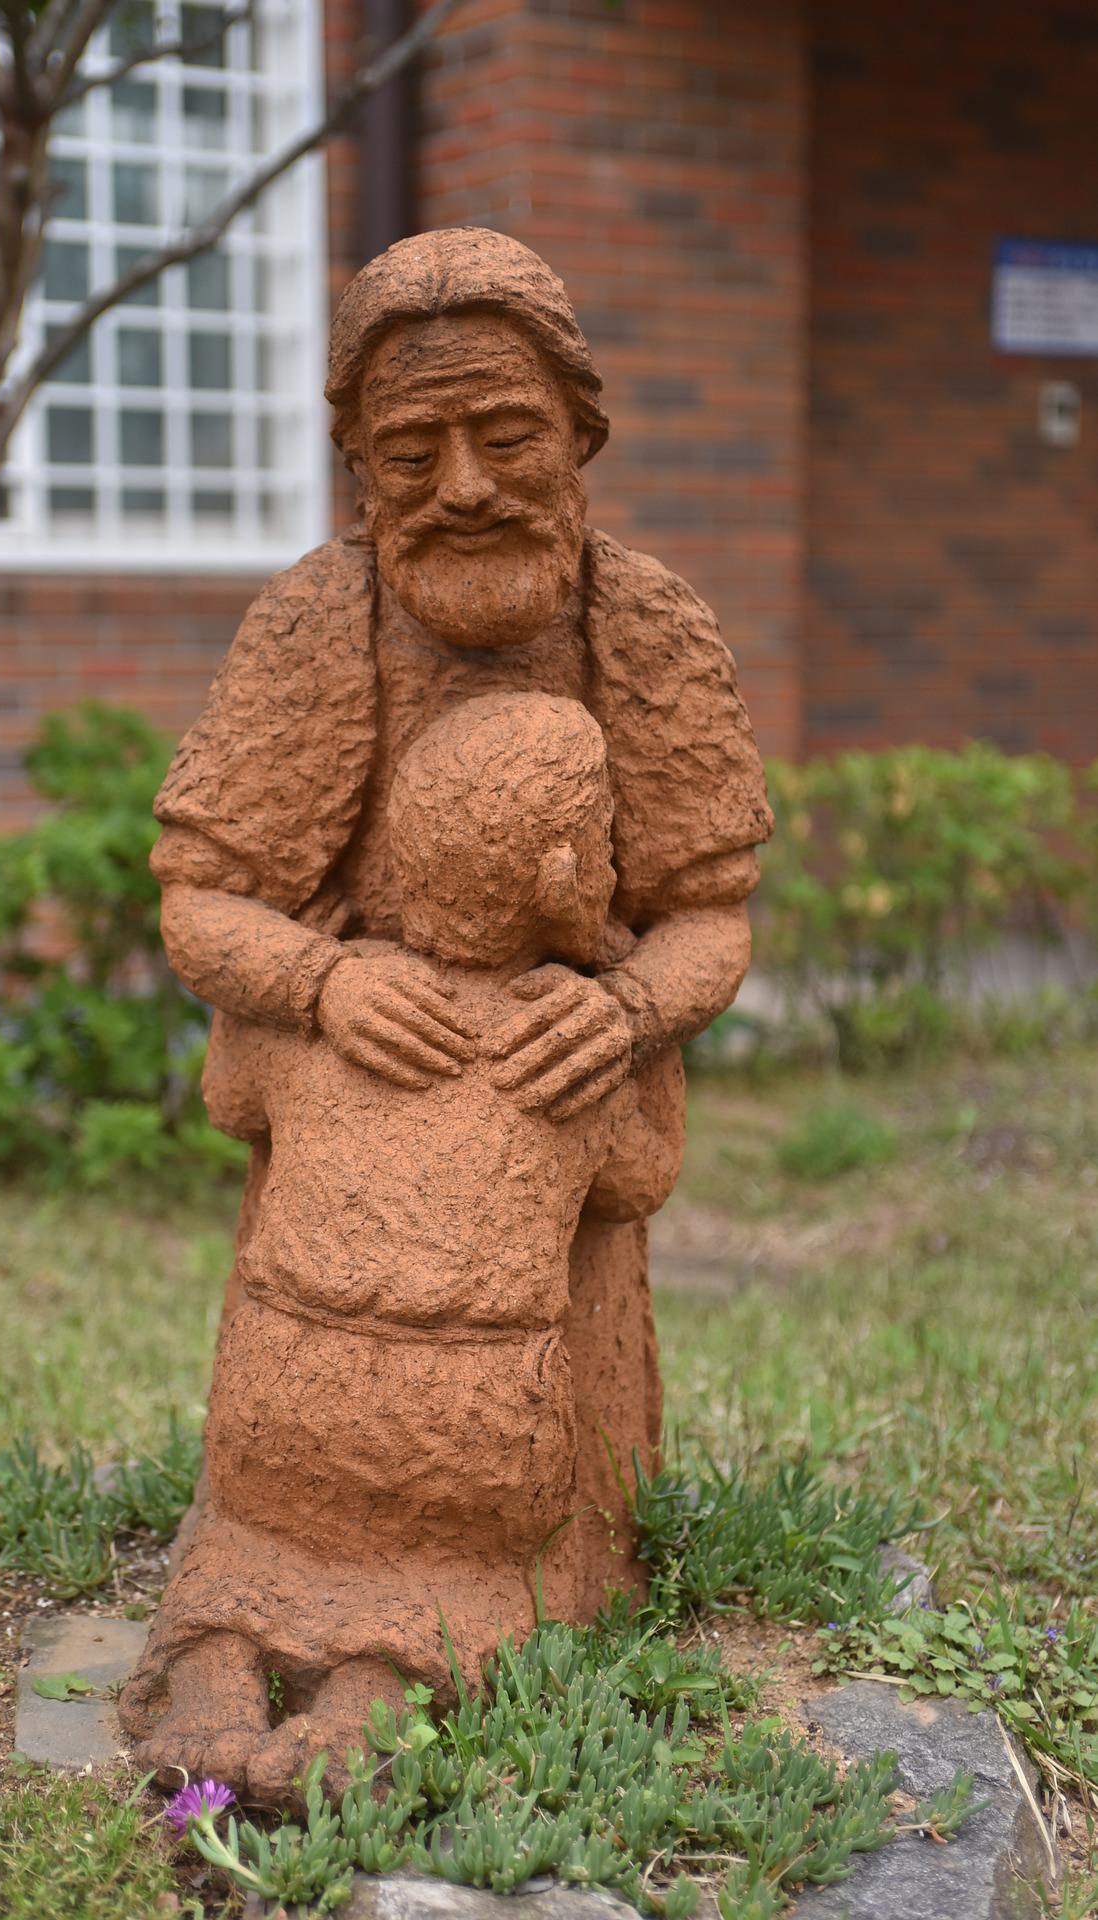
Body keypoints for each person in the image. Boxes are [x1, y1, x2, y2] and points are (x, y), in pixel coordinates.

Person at [150, 226, 772, 1602]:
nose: (466, 487)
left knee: (558, 1450)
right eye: (410, 453)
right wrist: (322, 986)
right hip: (356, 1100)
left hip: (556, 1100)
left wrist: (625, 1012)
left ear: (579, 435)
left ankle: (563, 1556)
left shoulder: (646, 627)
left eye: (507, 437)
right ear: (358, 467)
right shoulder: (318, 623)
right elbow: (201, 901)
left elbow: (710, 917)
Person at [118, 693, 681, 1805]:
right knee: (459, 1572)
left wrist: (311, 972)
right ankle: (366, 1706)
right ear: (565, 875)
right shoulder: (564, 1048)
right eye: (605, 845)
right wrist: (633, 1025)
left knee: (259, 1537)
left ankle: (213, 1680)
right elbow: (639, 1179)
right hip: (472, 1409)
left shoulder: (327, 1015)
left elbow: (230, 1099)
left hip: (287, 1384)